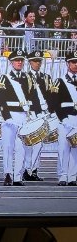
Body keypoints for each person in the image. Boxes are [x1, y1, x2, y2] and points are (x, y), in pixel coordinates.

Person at [0, 50, 42, 186]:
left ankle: (18, 176)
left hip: (23, 116)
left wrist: (37, 115)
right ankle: (8, 174)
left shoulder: (29, 78)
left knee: (21, 148)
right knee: (8, 147)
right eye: (16, 60)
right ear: (11, 62)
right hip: (9, 115)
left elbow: (34, 97)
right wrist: (6, 116)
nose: (19, 62)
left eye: (21, 60)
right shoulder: (4, 78)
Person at [23, 51, 53, 182]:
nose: (37, 63)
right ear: (30, 62)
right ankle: (25, 169)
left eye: (39, 61)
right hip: (29, 113)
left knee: (39, 144)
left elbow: (51, 95)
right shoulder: (24, 77)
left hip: (42, 113)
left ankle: (33, 170)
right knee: (27, 144)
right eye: (35, 61)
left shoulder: (46, 78)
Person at [49, 51, 77, 186]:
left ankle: (72, 176)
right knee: (63, 148)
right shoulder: (59, 81)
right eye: (73, 62)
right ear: (67, 64)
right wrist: (62, 118)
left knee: (75, 149)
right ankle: (62, 176)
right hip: (64, 119)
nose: (75, 64)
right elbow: (54, 102)